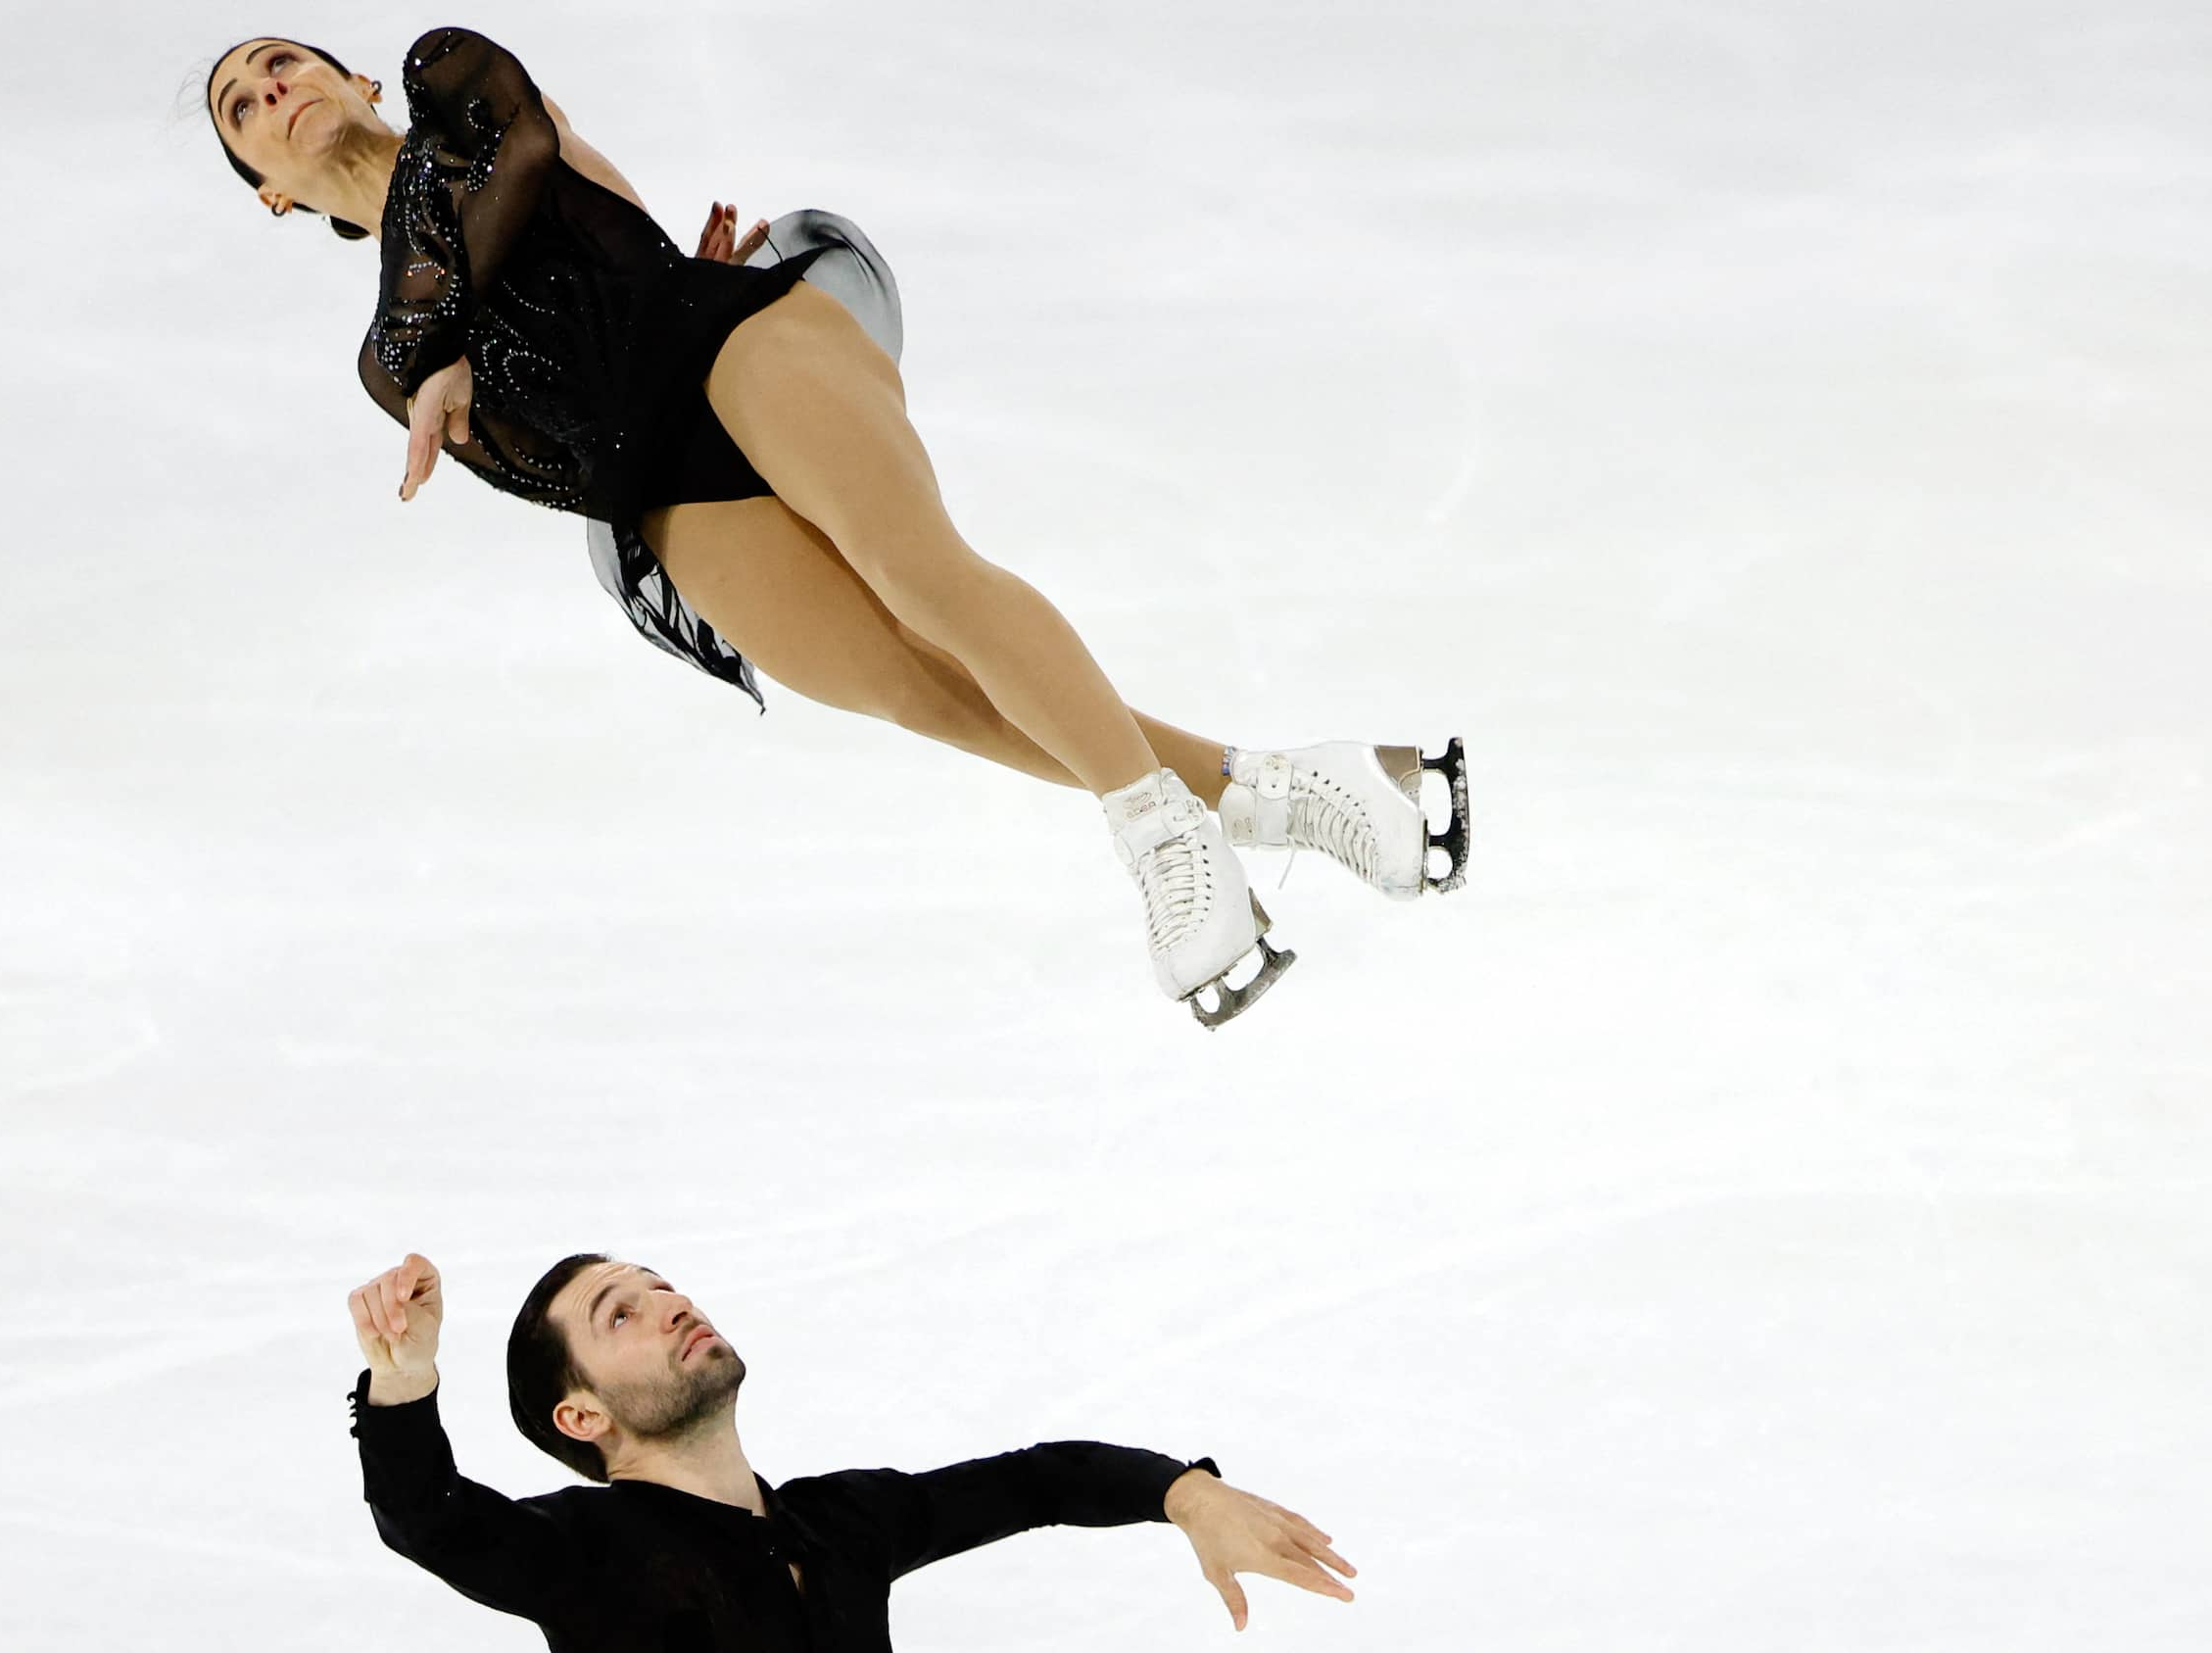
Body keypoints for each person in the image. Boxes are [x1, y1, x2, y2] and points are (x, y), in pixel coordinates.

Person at [207, 28, 1472, 1024]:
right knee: (920, 688)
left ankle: (1160, 838)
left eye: (280, 64)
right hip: (660, 477)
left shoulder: (453, 95)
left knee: (921, 577)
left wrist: (445, 342)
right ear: (268, 195)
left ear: (349, 73)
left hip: (732, 340)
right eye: (243, 110)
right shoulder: (387, 365)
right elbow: (560, 472)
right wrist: (460, 372)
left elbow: (502, 173)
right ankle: (1306, 793)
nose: (272, 91)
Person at [345, 1252, 1359, 1648]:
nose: (671, 1304)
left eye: (661, 1285)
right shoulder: (582, 1548)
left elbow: (1038, 1478)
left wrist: (1181, 1491)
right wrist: (403, 1377)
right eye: (623, 1314)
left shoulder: (840, 1523)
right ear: (583, 1416)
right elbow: (427, 1515)